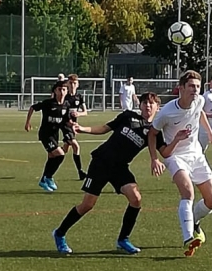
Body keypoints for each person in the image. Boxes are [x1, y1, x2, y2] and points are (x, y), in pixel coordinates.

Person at [53, 93, 163, 255]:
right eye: (145, 102)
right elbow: (105, 128)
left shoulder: (155, 131)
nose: (148, 106)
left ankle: (123, 239)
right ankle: (59, 233)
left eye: (151, 103)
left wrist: (177, 140)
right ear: (139, 105)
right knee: (87, 205)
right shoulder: (128, 116)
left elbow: (165, 151)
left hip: (120, 168)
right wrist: (83, 129)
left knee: (136, 199)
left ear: (157, 108)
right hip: (102, 162)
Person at [148, 70, 212, 257]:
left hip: (196, 154)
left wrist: (210, 132)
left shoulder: (200, 101)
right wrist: (154, 158)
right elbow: (152, 134)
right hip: (175, 156)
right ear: (181, 88)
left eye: (198, 86)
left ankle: (193, 221)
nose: (195, 90)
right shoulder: (167, 112)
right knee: (188, 192)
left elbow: (200, 113)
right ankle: (188, 237)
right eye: (191, 86)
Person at [25, 79, 70, 192]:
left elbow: (65, 120)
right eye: (59, 89)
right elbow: (32, 107)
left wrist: (73, 125)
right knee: (60, 154)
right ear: (55, 91)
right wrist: (28, 122)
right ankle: (48, 177)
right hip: (45, 134)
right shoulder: (48, 103)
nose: (62, 92)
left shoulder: (66, 105)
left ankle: (43, 180)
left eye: (64, 89)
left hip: (55, 135)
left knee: (52, 157)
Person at [61, 73, 88, 181]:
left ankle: (52, 161)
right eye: (70, 83)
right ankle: (80, 172)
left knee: (64, 150)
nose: (72, 85)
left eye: (74, 83)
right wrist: (69, 122)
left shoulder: (79, 97)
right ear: (67, 84)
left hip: (73, 126)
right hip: (65, 125)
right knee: (76, 146)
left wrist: (78, 114)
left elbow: (85, 112)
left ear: (78, 84)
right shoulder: (64, 96)